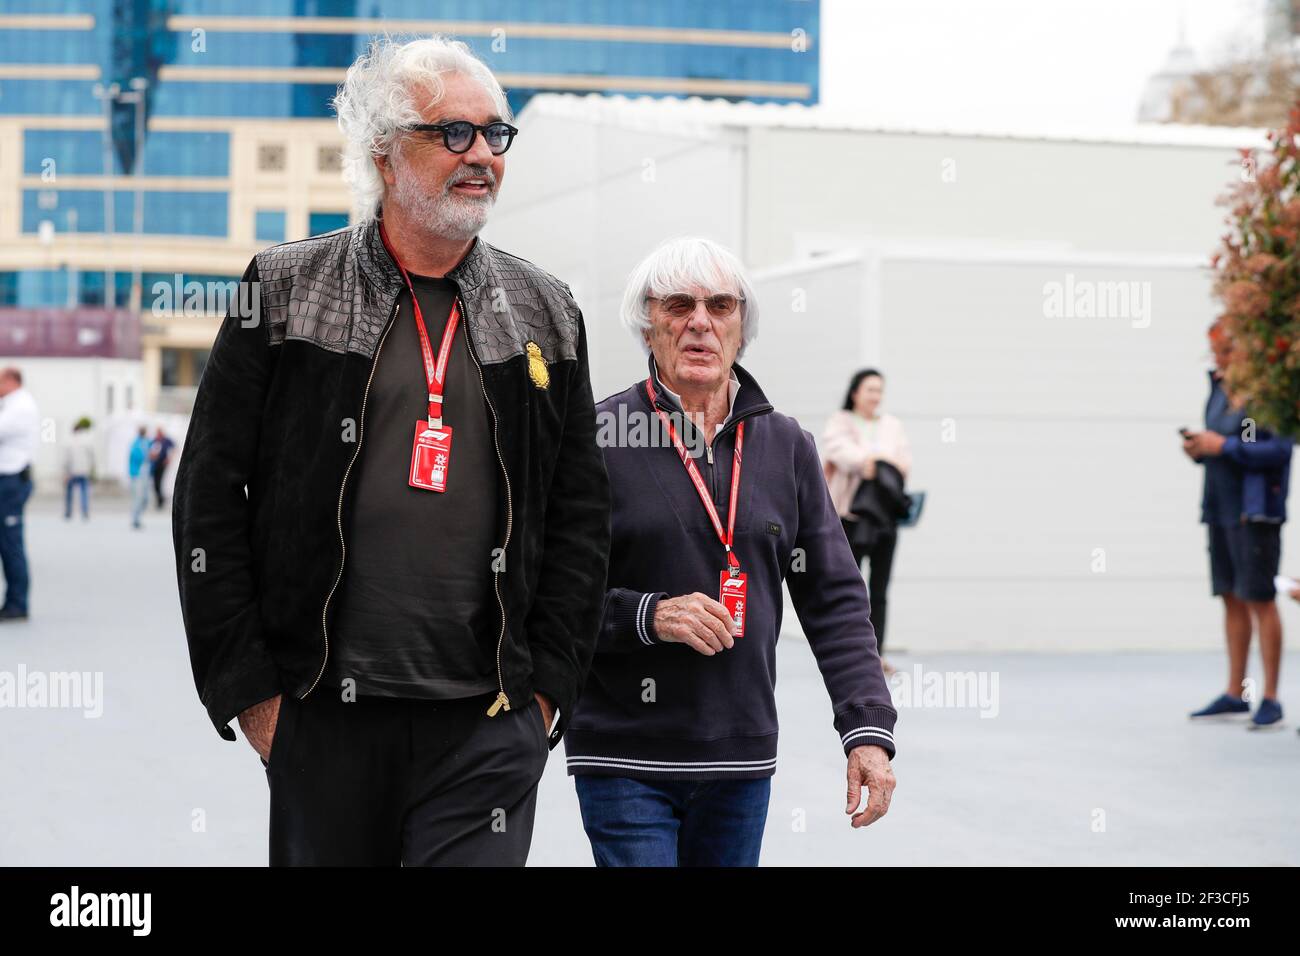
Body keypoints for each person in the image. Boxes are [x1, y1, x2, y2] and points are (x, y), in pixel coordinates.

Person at [171, 35, 610, 867]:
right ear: (382, 151)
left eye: (494, 134)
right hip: (320, 715)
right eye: (452, 134)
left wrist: (547, 695)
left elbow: (580, 515)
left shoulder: (546, 311)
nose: (480, 154)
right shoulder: (285, 288)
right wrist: (255, 695)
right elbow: (206, 500)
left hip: (488, 724)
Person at [564, 237, 897, 867]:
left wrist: (867, 730)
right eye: (678, 305)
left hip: (740, 755)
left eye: (720, 306)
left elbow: (834, 597)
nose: (700, 322)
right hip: (624, 753)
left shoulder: (787, 446)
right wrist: (648, 615)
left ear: (741, 328)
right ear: (647, 326)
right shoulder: (597, 438)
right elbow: (548, 591)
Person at [1184, 320, 1291, 730]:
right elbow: (1226, 442)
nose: (1218, 358)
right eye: (1215, 350)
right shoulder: (1219, 388)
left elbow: (1276, 448)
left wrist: (1224, 445)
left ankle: (1271, 697)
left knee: (1259, 597)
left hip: (1254, 510)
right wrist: (1201, 448)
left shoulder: (1267, 395)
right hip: (1221, 505)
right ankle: (1236, 692)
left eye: (1226, 350)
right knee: (1231, 595)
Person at [822, 369, 912, 673]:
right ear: (855, 392)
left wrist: (874, 461)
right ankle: (849, 652)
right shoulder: (840, 422)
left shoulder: (892, 426)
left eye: (879, 390)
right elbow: (840, 453)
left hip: (884, 518)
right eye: (870, 389)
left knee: (880, 588)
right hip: (851, 517)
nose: (876, 396)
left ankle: (877, 654)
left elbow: (904, 464)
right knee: (849, 587)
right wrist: (870, 461)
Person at [0, 367, 38, 622]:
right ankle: (14, 601)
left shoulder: (19, 405)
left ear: (12, 381)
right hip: (10, 480)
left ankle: (17, 603)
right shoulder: (13, 404)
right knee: (8, 542)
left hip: (11, 481)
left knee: (11, 543)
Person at [63, 418, 94, 521]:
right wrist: (91, 469)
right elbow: (91, 456)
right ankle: (84, 512)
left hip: (72, 471)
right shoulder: (87, 441)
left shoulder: (69, 442)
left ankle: (68, 512)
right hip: (84, 470)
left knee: (69, 493)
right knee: (84, 492)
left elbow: (66, 458)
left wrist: (65, 471)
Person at [128, 427, 152, 530]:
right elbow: (138, 457)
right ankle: (135, 519)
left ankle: (138, 515)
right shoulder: (135, 444)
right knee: (138, 497)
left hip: (145, 473)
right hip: (137, 474)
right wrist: (149, 455)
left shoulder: (147, 442)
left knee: (145, 498)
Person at [148, 427, 175, 510]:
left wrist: (169, 458)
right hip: (155, 464)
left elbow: (173, 448)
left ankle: (160, 501)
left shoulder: (166, 440)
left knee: (159, 482)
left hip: (162, 464)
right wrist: (152, 456)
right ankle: (161, 499)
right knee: (156, 483)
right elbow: (150, 451)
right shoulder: (154, 440)